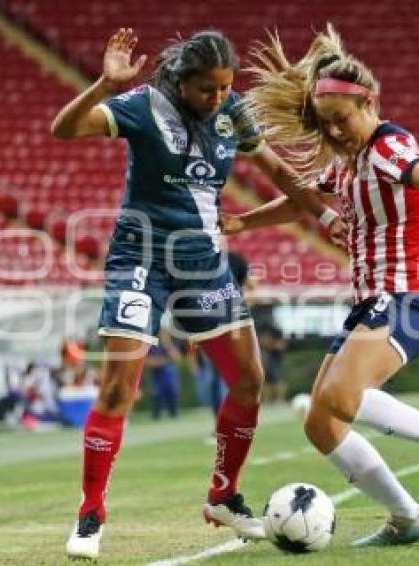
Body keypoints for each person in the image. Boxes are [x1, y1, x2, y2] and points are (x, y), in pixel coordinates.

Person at [50, 27, 345, 559]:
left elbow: (275, 168)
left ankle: (223, 495)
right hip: (140, 259)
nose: (217, 99)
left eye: (224, 88)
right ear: (182, 81)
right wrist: (102, 85)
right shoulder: (142, 106)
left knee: (250, 380)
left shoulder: (232, 110)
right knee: (119, 389)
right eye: (207, 89)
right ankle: (91, 512)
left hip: (203, 264)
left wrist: (323, 214)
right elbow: (64, 129)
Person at [226, 25, 419, 546]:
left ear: (369, 102)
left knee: (340, 397)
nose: (335, 133)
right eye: (327, 126)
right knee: (320, 422)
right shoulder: (348, 161)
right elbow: (302, 202)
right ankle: (409, 516)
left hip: (408, 297)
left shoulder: (388, 144)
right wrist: (243, 223)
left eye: (341, 121)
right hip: (371, 303)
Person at [147, 330, 182, 420]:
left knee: (173, 398)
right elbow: (149, 361)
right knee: (157, 399)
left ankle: (174, 416)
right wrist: (163, 361)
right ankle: (156, 417)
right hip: (158, 379)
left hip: (170, 378)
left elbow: (177, 357)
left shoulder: (169, 345)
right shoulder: (152, 346)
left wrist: (168, 345)